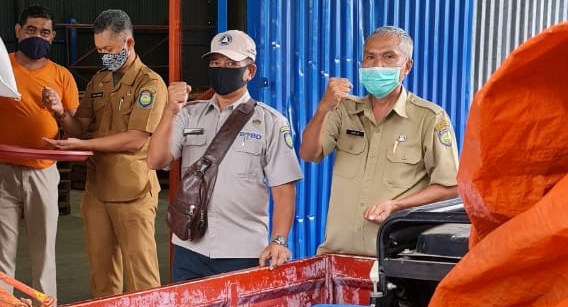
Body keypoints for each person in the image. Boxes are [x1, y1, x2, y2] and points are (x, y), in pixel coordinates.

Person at [148, 30, 302, 282]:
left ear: (249, 71)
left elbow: (284, 188)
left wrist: (279, 240)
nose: (222, 69)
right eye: (215, 63)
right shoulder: (188, 114)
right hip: (189, 246)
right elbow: (156, 161)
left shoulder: (270, 122)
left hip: (242, 251)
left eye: (231, 64)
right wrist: (169, 111)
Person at [299, 25, 459, 256]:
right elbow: (308, 154)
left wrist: (397, 205)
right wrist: (323, 108)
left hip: (394, 258)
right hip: (338, 254)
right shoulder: (343, 110)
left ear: (407, 66)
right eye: (370, 57)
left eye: (389, 57)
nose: (378, 65)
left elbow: (450, 188)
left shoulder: (429, 118)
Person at [45, 9, 167, 297]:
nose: (104, 56)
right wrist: (60, 113)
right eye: (99, 50)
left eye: (110, 50)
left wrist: (84, 145)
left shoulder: (149, 84)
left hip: (133, 192)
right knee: (102, 276)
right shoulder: (99, 81)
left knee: (142, 278)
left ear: (129, 43)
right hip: (98, 190)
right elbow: (79, 128)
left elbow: (136, 139)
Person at [0, 6, 78, 300]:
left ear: (52, 36)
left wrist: (59, 111)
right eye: (31, 30)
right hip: (0, 169)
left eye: (44, 32)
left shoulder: (62, 76)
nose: (38, 36)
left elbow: (76, 129)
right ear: (18, 31)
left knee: (44, 249)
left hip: (43, 171)